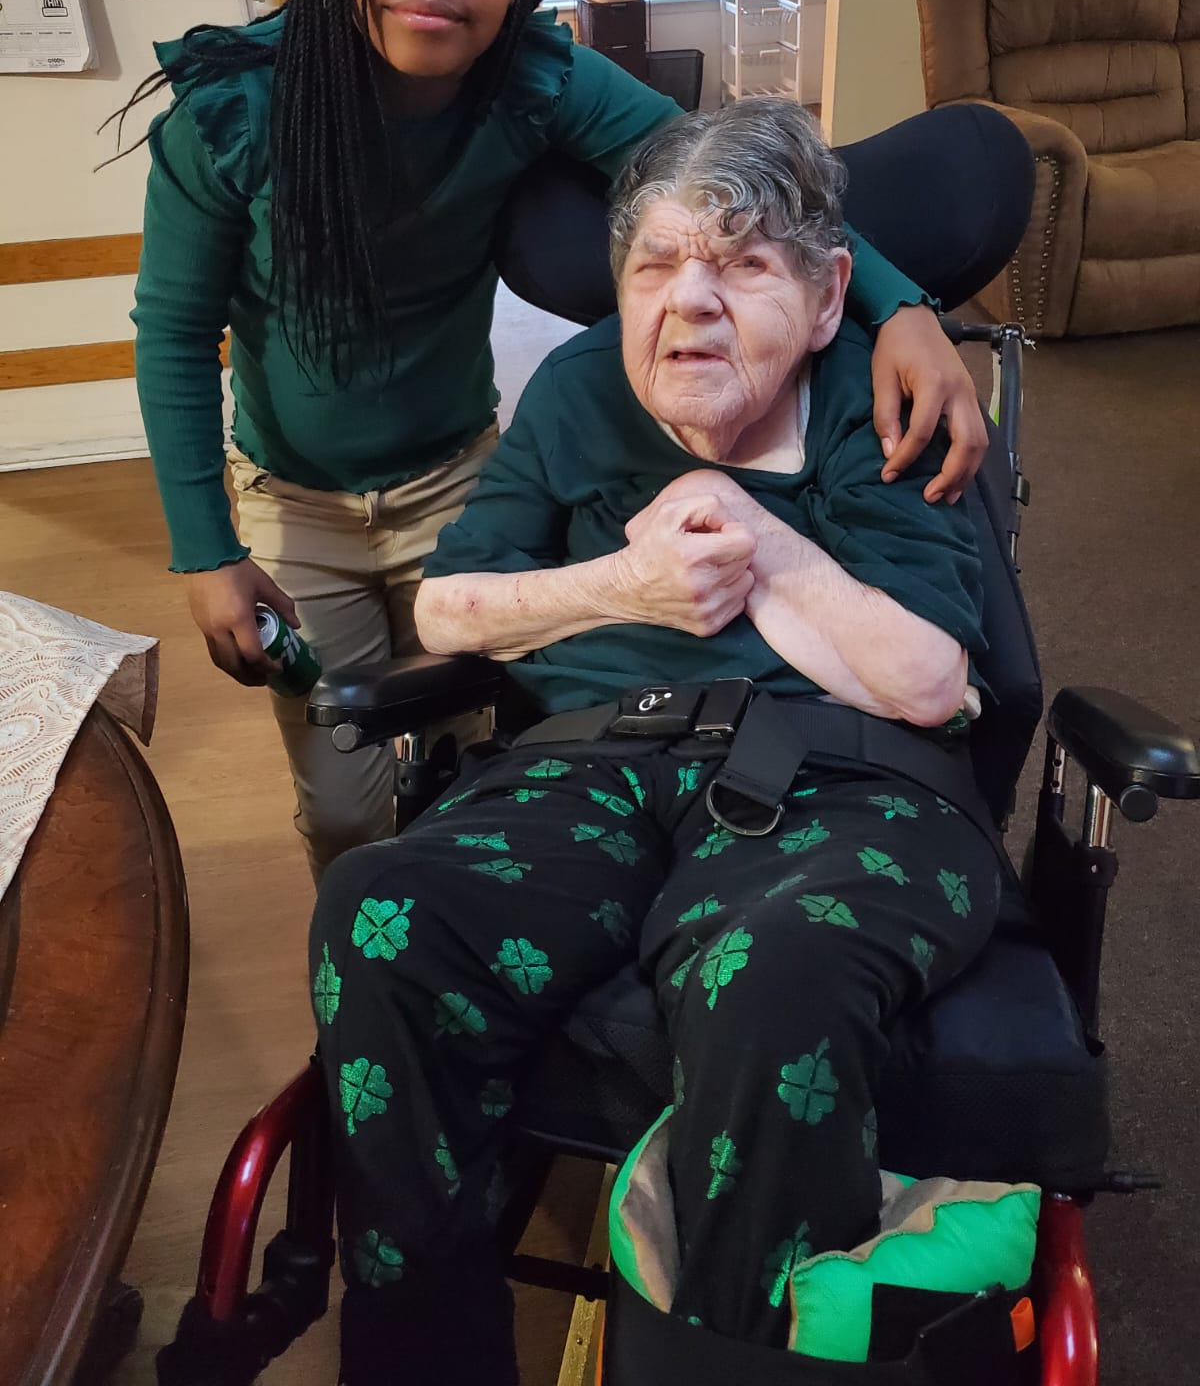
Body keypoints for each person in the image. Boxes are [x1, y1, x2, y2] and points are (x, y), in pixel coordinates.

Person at [127, 0, 987, 883]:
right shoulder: (231, 115)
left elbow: (732, 183)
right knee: (342, 801)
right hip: (296, 503)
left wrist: (902, 305)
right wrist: (206, 549)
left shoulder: (532, 81)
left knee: (462, 757)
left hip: (455, 477)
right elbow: (173, 334)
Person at [309, 98, 1005, 1384]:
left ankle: (736, 1358)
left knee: (776, 968)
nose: (690, 300)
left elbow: (927, 681)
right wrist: (621, 587)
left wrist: (754, 533)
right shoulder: (579, 387)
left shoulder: (880, 394)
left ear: (827, 292)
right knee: (378, 911)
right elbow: (448, 607)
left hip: (843, 784)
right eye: (655, 264)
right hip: (587, 761)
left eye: (742, 263)